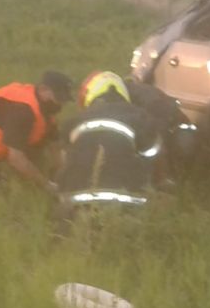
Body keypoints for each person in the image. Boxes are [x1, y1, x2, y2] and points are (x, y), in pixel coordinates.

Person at [54, 71, 160, 207]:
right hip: (128, 204)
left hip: (74, 203)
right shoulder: (140, 117)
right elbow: (153, 158)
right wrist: (160, 184)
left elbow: (62, 163)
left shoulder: (73, 122)